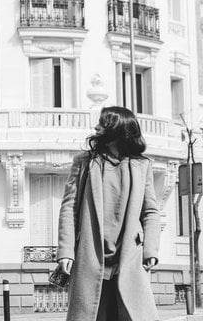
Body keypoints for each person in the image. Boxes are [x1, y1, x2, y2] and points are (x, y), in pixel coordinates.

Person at [57, 106, 161, 321]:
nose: (96, 127)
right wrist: (66, 251)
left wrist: (151, 249)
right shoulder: (85, 163)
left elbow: (150, 211)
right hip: (91, 257)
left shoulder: (142, 166)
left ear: (118, 129)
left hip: (129, 258)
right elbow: (69, 207)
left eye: (103, 124)